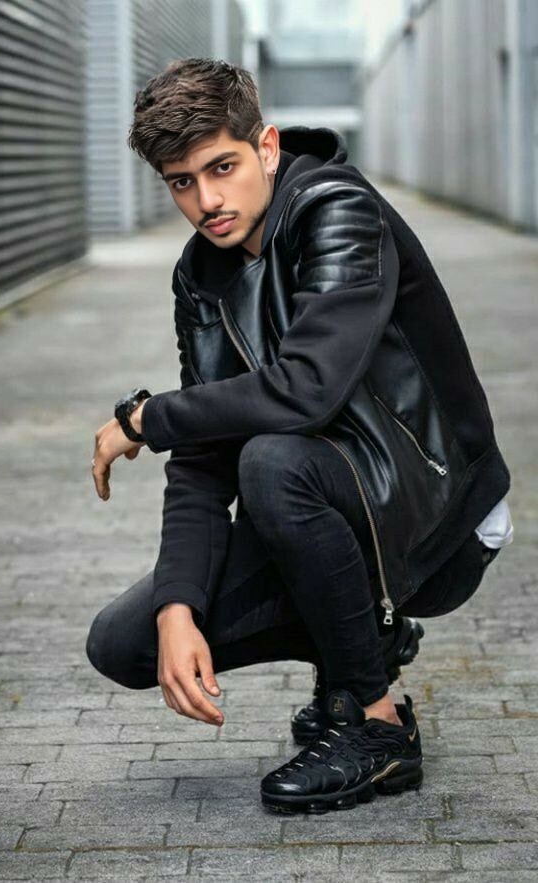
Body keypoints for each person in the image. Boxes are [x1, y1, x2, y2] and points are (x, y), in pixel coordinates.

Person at [87, 57, 513, 814]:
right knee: (126, 642)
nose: (207, 201)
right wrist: (178, 606)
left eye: (221, 167)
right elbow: (203, 460)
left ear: (267, 146)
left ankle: (375, 724)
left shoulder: (338, 208)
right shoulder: (201, 276)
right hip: (329, 497)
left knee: (272, 461)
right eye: (182, 182)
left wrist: (148, 418)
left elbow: (306, 388)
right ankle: (365, 640)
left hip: (437, 513)